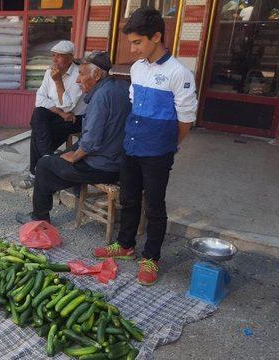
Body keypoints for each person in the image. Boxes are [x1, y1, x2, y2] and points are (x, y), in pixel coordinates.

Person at [93, 7, 197, 286]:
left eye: (138, 42)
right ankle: (125, 245)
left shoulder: (179, 73)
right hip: (131, 146)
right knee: (128, 198)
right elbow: (134, 104)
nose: (133, 48)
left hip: (158, 153)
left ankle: (151, 257)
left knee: (154, 206)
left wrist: (168, 145)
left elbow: (186, 119)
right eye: (132, 42)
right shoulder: (137, 69)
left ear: (156, 37)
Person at [15, 52, 130, 224]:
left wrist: (75, 156)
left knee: (44, 165)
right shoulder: (121, 87)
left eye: (82, 74)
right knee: (59, 157)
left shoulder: (100, 97)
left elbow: (91, 142)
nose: (77, 80)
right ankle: (75, 190)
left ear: (97, 75)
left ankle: (39, 218)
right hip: (120, 159)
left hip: (104, 166)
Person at [19, 40, 87, 189]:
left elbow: (68, 106)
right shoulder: (49, 72)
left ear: (70, 58)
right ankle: (47, 159)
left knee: (38, 133)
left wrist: (58, 82)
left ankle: (35, 173)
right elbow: (40, 99)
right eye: (53, 56)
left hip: (75, 118)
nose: (55, 60)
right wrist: (60, 113)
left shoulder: (78, 74)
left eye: (59, 56)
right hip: (58, 115)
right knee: (38, 114)